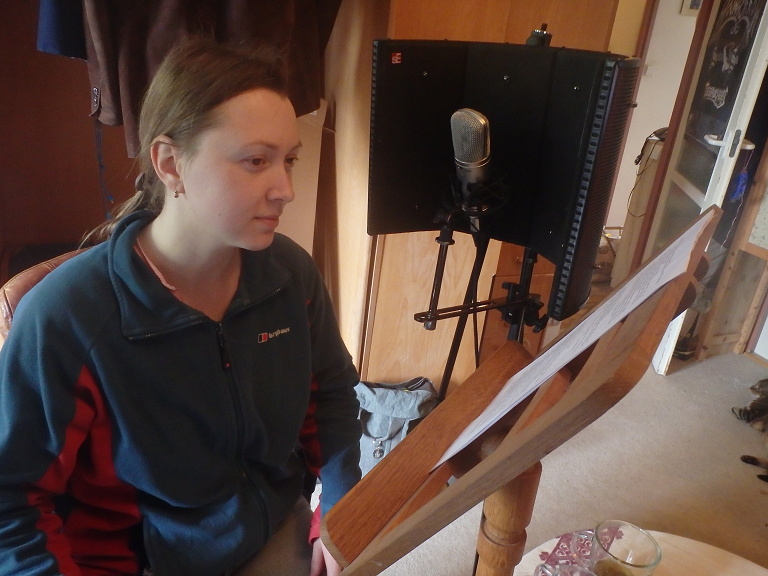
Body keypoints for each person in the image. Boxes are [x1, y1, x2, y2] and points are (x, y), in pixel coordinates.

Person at [0, 37, 361, 576]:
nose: (285, 188)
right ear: (170, 163)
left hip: (268, 531)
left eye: (288, 160)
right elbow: (12, 501)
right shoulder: (67, 317)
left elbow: (331, 395)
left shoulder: (290, 275)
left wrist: (340, 509)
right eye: (256, 161)